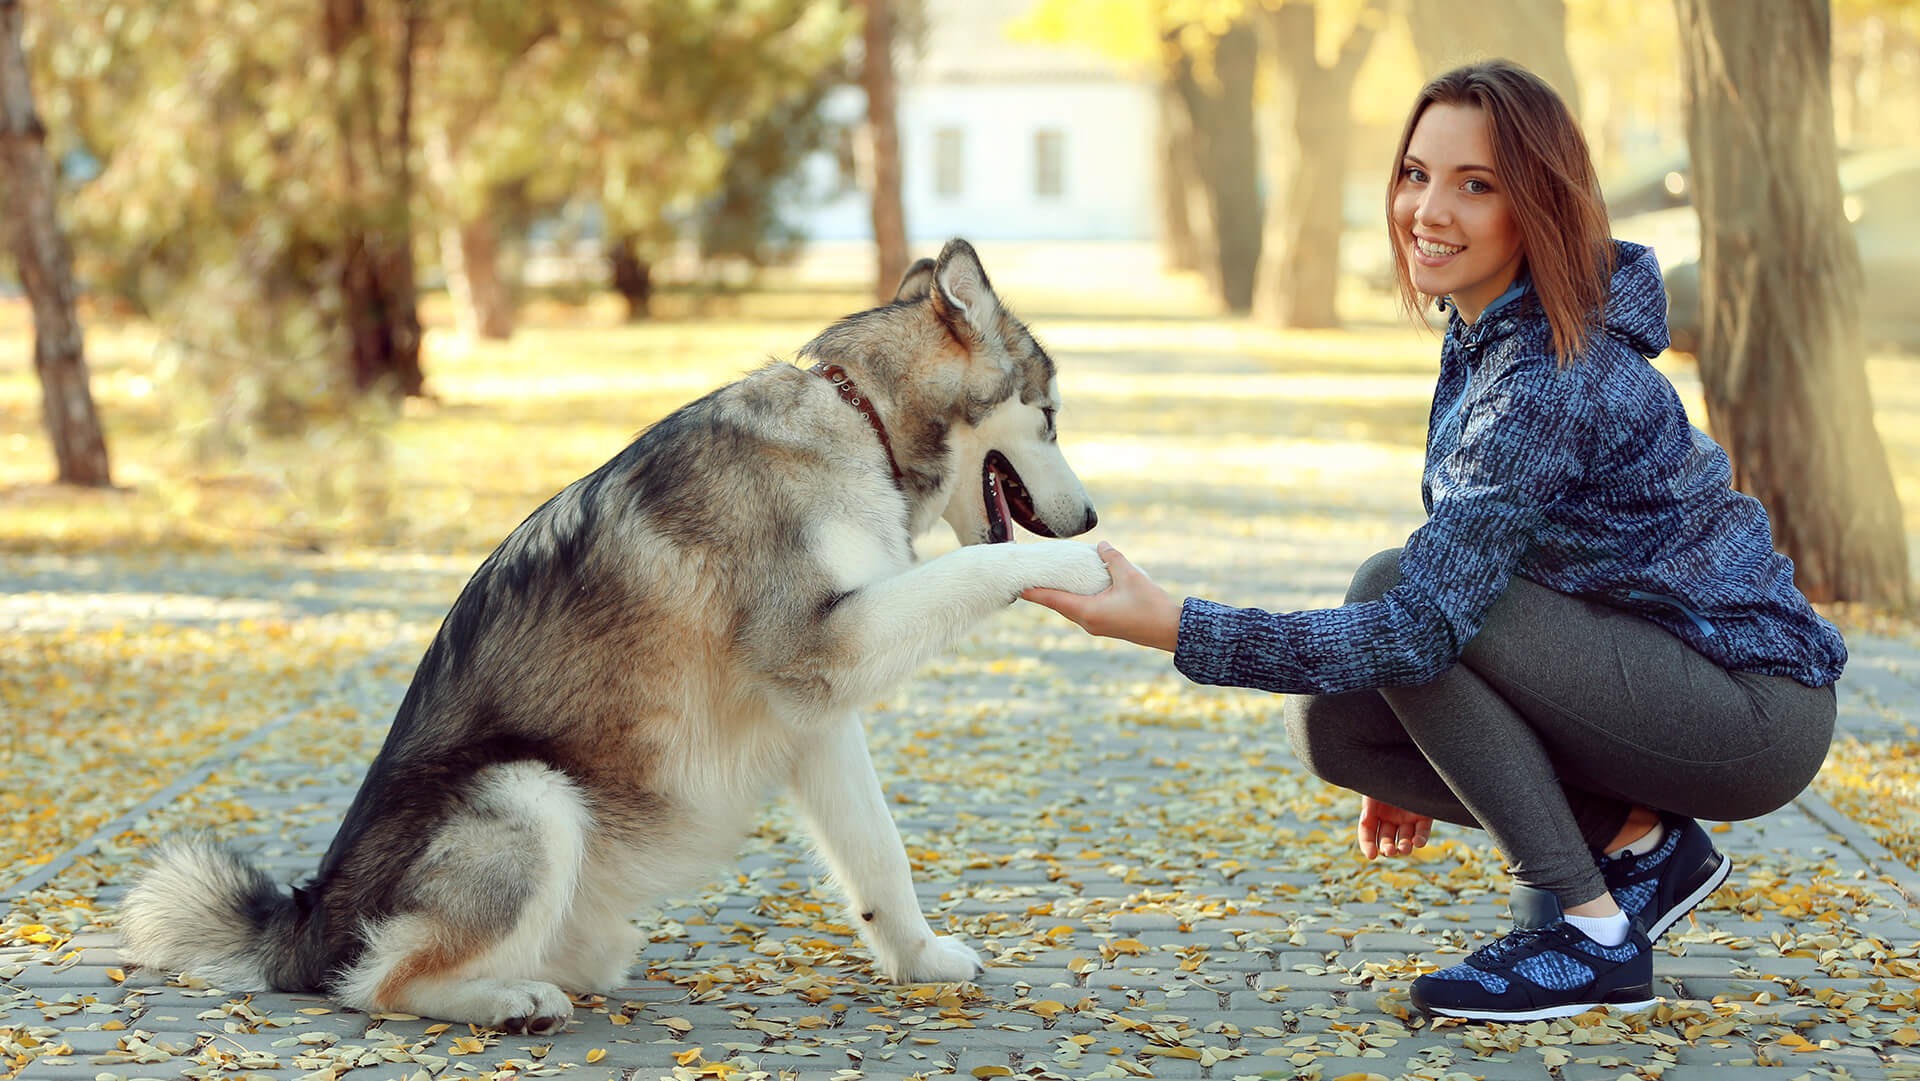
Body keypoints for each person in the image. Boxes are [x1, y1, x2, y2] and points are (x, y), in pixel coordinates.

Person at [1023, 59, 1844, 1024]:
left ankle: (1593, 936)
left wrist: (1175, 626)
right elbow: (1469, 571)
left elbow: (1419, 619)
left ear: (1537, 204)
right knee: (1337, 725)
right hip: (1646, 668)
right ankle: (1639, 843)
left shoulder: (1549, 373)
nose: (1428, 209)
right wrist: (1432, 724)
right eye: (1416, 174)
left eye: (1476, 184)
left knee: (1390, 591)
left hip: (1749, 707)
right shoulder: (1490, 332)